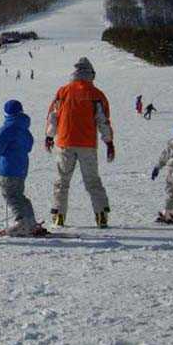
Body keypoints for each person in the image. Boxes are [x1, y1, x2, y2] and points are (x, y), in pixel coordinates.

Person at [45, 57, 114, 229]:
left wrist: (49, 136)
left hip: (65, 142)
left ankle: (59, 214)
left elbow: (53, 116)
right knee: (92, 180)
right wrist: (109, 142)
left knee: (62, 180)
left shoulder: (63, 91)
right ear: (91, 74)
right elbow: (103, 120)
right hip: (87, 144)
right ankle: (101, 214)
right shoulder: (96, 94)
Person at [0, 100, 37, 236]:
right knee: (19, 195)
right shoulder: (24, 128)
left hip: (8, 167)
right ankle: (30, 221)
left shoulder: (8, 127)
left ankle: (22, 222)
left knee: (11, 195)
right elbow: (29, 145)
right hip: (21, 167)